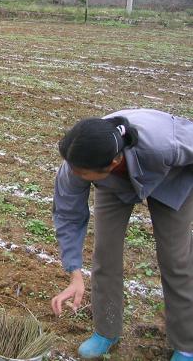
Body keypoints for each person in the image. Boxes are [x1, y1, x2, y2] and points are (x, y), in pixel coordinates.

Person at [51, 109, 193, 360]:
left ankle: (186, 344)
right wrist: (74, 273)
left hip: (171, 175)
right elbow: (68, 215)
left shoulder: (164, 143)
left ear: (113, 162)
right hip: (113, 184)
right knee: (105, 254)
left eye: (80, 173)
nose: (73, 175)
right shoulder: (77, 161)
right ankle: (106, 330)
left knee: (176, 259)